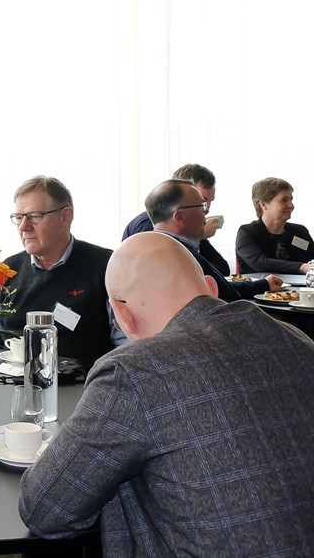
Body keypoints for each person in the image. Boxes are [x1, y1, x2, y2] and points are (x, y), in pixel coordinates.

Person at [19, 232, 314, 556]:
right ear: (210, 288)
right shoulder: (297, 340)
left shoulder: (133, 372)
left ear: (121, 314)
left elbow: (45, 510)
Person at [0, 176, 122, 369]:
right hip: (13, 380)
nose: (23, 227)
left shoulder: (106, 265)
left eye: (34, 216)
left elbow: (125, 343)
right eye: (19, 217)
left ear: (65, 217)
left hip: (84, 381)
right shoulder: (8, 270)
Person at [146, 179, 283, 301]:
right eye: (201, 205)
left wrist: (263, 284)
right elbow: (225, 295)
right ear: (179, 217)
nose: (206, 211)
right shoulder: (180, 256)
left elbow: (219, 285)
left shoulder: (157, 249)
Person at [122, 163, 230, 275]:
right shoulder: (150, 225)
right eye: (202, 201)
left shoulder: (189, 229)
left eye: (209, 202)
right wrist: (201, 236)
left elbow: (222, 269)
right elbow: (173, 271)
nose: (207, 209)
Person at [236, 177, 314, 275]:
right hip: (261, 285)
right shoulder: (247, 232)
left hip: (301, 285)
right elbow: (259, 263)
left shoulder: (300, 231)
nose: (291, 205)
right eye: (284, 200)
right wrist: (302, 267)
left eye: (291, 200)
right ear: (263, 204)